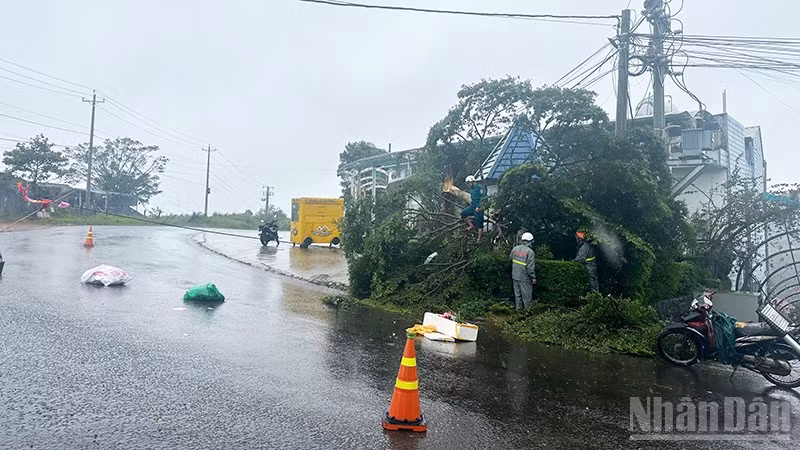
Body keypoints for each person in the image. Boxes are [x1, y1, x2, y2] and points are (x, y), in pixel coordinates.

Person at [510, 232, 536, 310]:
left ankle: (518, 312)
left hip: (515, 276)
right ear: (530, 241)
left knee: (517, 296)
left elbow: (511, 258)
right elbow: (530, 268)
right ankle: (527, 313)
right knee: (526, 296)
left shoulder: (515, 249)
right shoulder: (530, 252)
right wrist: (533, 277)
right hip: (524, 278)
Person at [460, 175, 484, 243]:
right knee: (463, 213)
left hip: (479, 207)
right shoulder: (472, 190)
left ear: (472, 182)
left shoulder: (479, 188)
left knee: (479, 223)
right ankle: (471, 225)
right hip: (473, 206)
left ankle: (479, 239)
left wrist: (479, 207)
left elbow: (483, 198)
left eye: (468, 183)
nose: (468, 185)